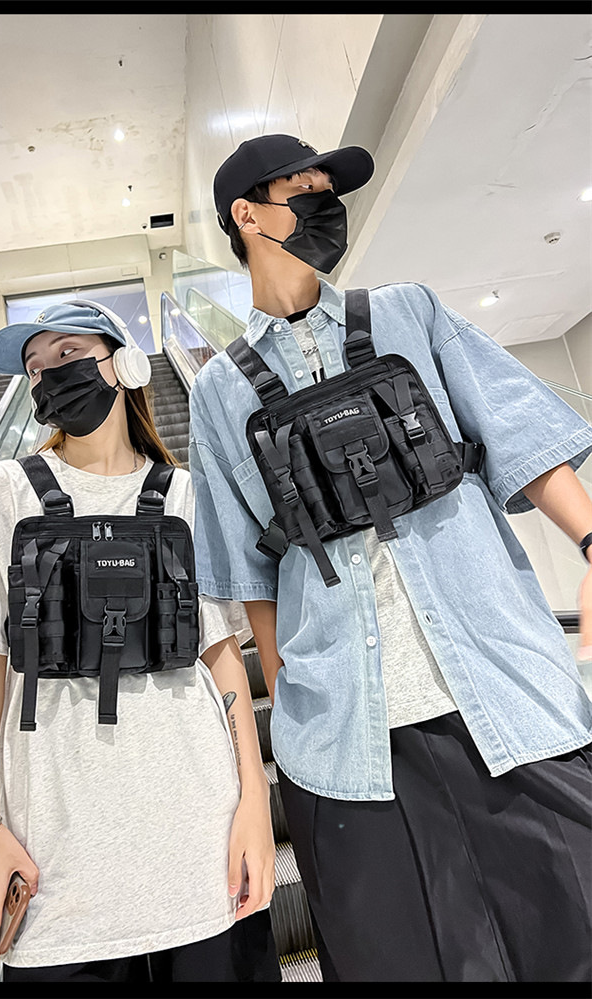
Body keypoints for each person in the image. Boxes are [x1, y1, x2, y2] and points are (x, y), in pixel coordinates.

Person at [187, 133, 592, 983]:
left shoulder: (411, 312)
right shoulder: (220, 392)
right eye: (304, 188)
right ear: (247, 215)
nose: (325, 203)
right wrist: (286, 693)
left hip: (507, 696)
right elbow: (249, 573)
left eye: (329, 189)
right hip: (348, 748)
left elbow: (517, 433)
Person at [0, 300, 281, 984]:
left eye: (68, 354)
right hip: (58, 879)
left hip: (201, 854)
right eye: (36, 368)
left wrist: (254, 802)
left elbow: (223, 661)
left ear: (126, 364)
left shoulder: (185, 496)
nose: (50, 376)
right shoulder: (1, 493)